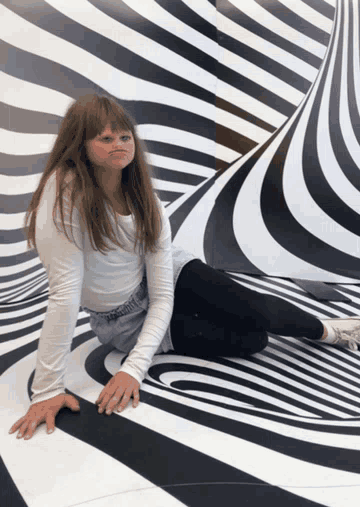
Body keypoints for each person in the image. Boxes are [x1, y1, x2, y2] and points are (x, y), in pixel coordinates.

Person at [9, 93, 360, 441]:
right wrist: (46, 391)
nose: (119, 144)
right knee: (251, 340)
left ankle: (332, 332)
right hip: (122, 320)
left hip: (168, 277)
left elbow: (162, 294)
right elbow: (65, 297)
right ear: (79, 146)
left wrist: (133, 369)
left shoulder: (144, 198)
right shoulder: (63, 198)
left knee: (255, 309)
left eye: (125, 136)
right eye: (105, 137)